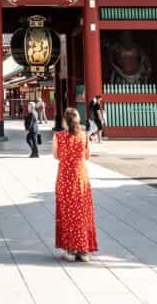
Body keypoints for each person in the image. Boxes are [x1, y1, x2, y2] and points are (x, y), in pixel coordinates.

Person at [53, 108, 99, 262]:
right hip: (81, 177)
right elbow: (87, 156)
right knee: (82, 212)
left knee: (67, 213)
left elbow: (56, 156)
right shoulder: (84, 135)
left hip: (65, 177)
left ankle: (70, 250)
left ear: (65, 121)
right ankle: (83, 250)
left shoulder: (58, 136)